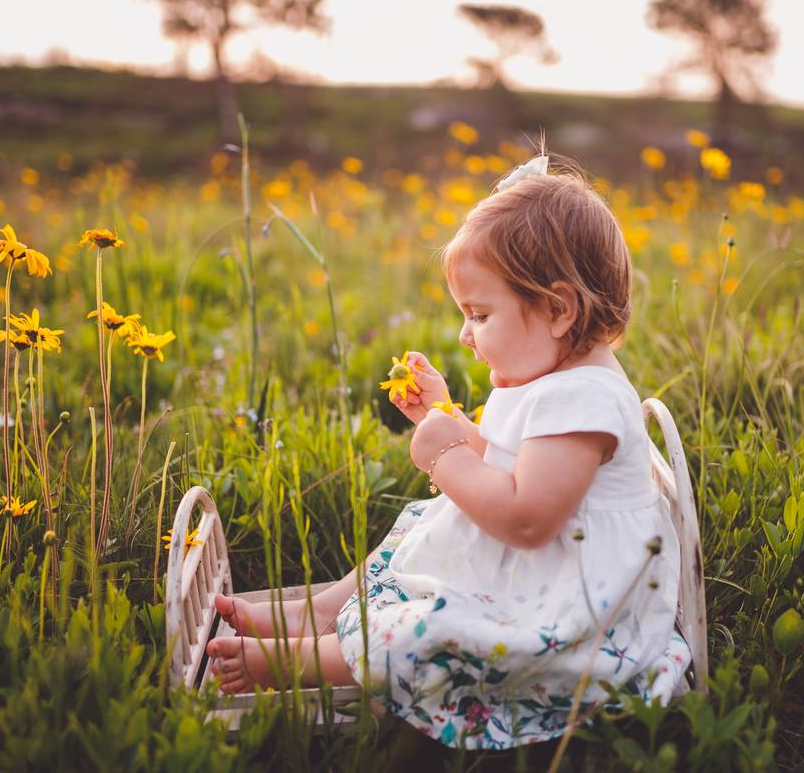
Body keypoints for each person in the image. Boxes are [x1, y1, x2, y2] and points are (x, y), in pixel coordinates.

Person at [206, 155, 690, 750]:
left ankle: (300, 662)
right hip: (552, 572)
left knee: (431, 631)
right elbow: (509, 459)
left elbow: (528, 519)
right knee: (421, 523)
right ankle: (323, 613)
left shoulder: (585, 399)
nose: (465, 334)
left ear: (558, 310)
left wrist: (444, 458)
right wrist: (450, 420)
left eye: (479, 315)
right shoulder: (557, 378)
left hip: (576, 614)